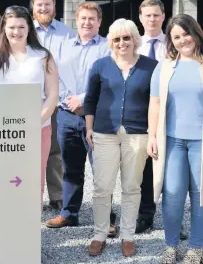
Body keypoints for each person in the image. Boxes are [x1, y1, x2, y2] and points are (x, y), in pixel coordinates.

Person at [147, 14, 203, 264]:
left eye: (186, 33)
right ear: (171, 41)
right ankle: (170, 245)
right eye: (176, 36)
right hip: (172, 141)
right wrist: (151, 134)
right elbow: (154, 102)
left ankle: (196, 247)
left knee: (202, 194)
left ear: (196, 32)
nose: (183, 40)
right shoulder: (164, 66)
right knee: (172, 194)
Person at [84, 19, 157, 257]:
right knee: (101, 187)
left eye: (127, 38)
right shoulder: (100, 66)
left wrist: (153, 133)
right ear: (110, 42)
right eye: (117, 39)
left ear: (135, 39)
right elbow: (91, 99)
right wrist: (89, 128)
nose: (122, 43)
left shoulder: (151, 67)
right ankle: (100, 233)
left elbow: (156, 104)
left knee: (131, 187)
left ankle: (127, 235)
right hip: (104, 133)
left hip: (137, 135)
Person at [45, 2, 115, 235]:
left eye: (92, 19)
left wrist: (83, 99)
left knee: (101, 169)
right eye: (83, 18)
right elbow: (56, 79)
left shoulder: (108, 48)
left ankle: (106, 217)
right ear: (77, 20)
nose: (87, 22)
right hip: (67, 115)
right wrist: (69, 101)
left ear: (99, 22)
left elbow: (110, 81)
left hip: (97, 117)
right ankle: (69, 213)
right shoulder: (64, 46)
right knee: (70, 167)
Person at [0, 5, 59, 202]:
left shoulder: (43, 57)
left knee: (32, 180)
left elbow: (52, 96)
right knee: (3, 179)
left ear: (29, 29)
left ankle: (29, 227)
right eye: (11, 27)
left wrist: (34, 123)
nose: (16, 32)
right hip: (1, 133)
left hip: (37, 129)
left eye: (21, 27)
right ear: (4, 29)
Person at [31, 0, 76, 210]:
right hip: (32, 100)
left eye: (47, 4)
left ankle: (57, 195)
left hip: (58, 100)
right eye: (39, 5)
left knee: (56, 151)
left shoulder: (67, 33)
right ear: (33, 7)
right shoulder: (25, 30)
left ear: (54, 6)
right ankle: (30, 195)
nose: (44, 8)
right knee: (30, 150)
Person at [135, 0, 167, 234]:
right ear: (141, 18)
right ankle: (145, 215)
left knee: (171, 168)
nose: (152, 19)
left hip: (169, 112)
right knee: (144, 168)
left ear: (163, 16)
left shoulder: (174, 43)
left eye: (156, 14)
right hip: (141, 113)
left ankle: (172, 220)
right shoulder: (134, 45)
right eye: (147, 15)